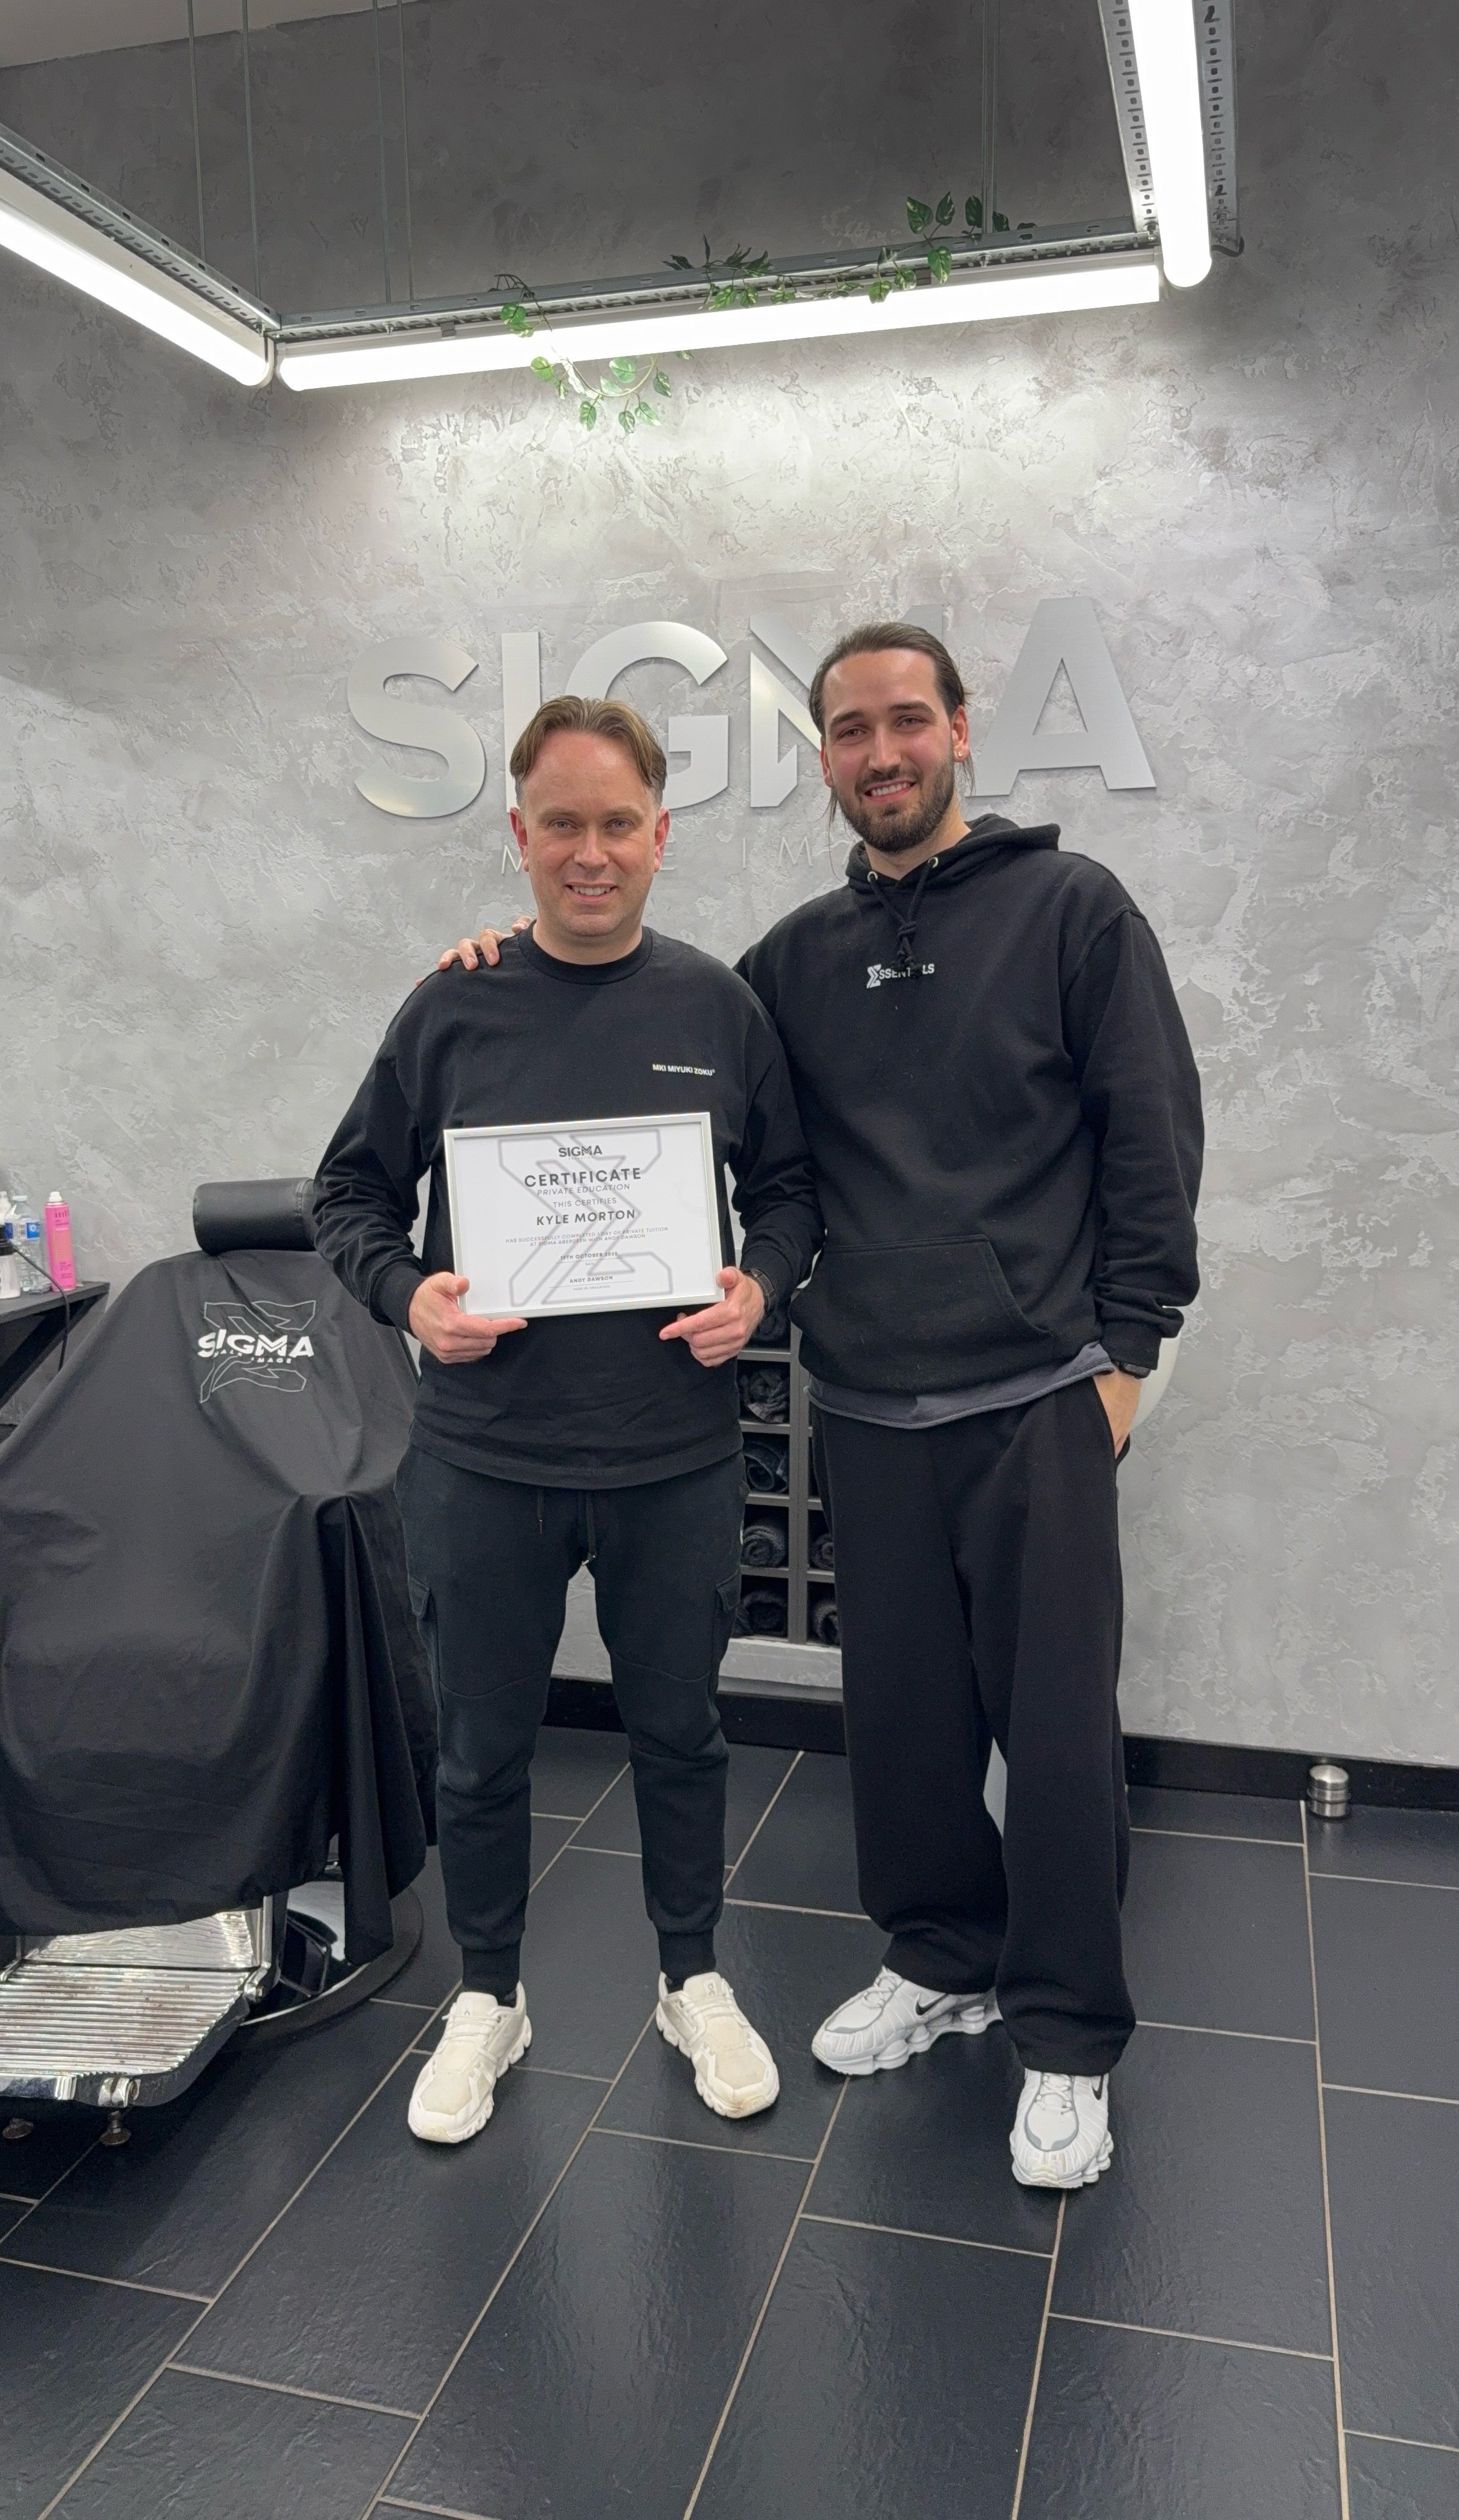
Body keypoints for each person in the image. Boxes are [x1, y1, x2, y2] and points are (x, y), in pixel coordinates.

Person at [436, 623, 1202, 2190]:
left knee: (1054, 1735)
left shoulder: (1075, 912)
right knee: (905, 1725)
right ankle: (940, 1959)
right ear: (827, 761)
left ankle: (1064, 2040)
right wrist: (492, 966)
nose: (880, 753)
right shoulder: (790, 962)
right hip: (870, 1401)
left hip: (1045, 1393)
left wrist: (1130, 1358)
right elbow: (687, 1088)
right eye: (850, 731)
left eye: (905, 721)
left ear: (962, 732)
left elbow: (1153, 1142)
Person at [313, 694, 821, 2144]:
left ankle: (692, 1976)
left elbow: (789, 1193)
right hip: (485, 1461)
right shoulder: (451, 1006)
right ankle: (491, 1995)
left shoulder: (719, 1008)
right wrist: (414, 1298)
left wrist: (761, 1288)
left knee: (681, 1733)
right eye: (561, 826)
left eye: (617, 826)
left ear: (661, 837)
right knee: (479, 1747)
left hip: (676, 1458)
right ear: (519, 837)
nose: (588, 854)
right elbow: (345, 1196)